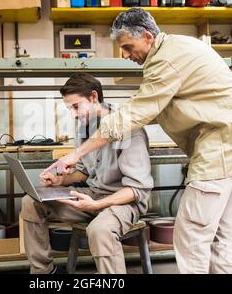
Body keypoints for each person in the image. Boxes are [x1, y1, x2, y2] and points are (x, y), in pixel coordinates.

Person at [44, 8, 232, 274]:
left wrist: (74, 155)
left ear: (147, 36)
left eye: (128, 47)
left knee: (191, 237)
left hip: (221, 147)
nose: (126, 54)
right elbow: (156, 108)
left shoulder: (164, 61)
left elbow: (139, 112)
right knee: (224, 239)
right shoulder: (179, 47)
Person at [20, 73, 153, 274]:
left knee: (99, 230)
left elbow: (137, 190)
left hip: (124, 201)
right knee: (31, 202)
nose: (73, 114)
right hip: (93, 194)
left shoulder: (128, 128)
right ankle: (44, 273)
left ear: (93, 97)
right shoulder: (84, 125)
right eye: (69, 109)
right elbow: (82, 172)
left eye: (76, 107)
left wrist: (97, 205)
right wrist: (60, 180)